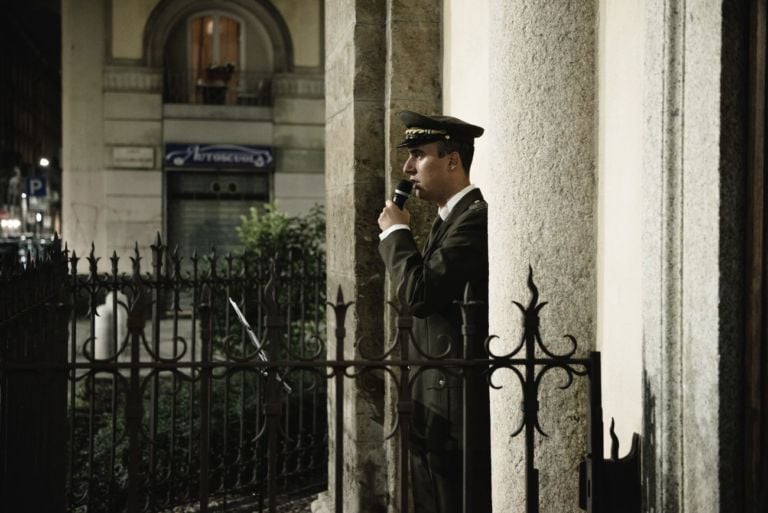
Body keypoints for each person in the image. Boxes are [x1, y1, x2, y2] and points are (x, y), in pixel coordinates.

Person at [377, 111, 491, 513]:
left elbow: (420, 294)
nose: (407, 169)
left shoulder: (474, 221)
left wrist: (395, 233)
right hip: (433, 400)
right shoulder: (449, 220)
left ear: (453, 160)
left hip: (455, 405)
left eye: (418, 155)